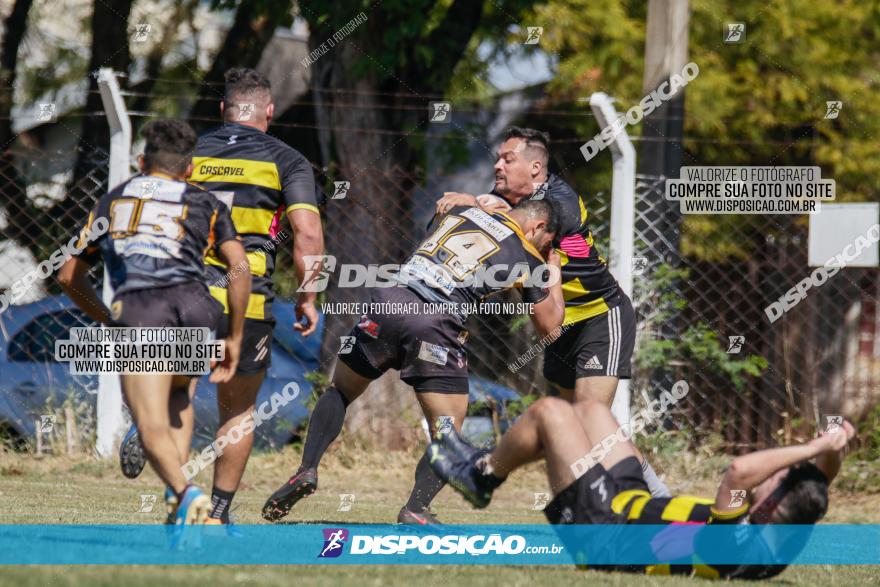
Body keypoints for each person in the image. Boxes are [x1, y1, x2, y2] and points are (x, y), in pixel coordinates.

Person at [262, 199, 566, 525]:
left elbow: (437, 227)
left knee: (340, 389)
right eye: (545, 242)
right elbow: (551, 327)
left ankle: (306, 469)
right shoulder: (528, 257)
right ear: (536, 228)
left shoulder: (462, 212)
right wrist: (554, 269)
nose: (543, 248)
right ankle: (416, 508)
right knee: (448, 429)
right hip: (435, 320)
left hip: (389, 300)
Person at [117, 68, 325, 527]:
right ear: (269, 111)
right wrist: (309, 296)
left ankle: (150, 436)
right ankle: (220, 510)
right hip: (245, 298)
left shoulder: (189, 155)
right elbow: (308, 234)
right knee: (238, 410)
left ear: (222, 110)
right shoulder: (287, 160)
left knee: (176, 394)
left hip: (181, 294)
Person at [435, 127, 665, 495]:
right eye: (498, 157)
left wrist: (474, 203)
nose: (498, 164)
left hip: (599, 317)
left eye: (508, 158)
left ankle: (650, 502)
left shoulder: (561, 200)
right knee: (569, 428)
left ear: (536, 166)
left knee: (590, 419)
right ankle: (489, 472)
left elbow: (531, 225)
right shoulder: (504, 197)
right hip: (559, 329)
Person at [58, 119, 250, 528]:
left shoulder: (112, 201)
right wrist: (234, 336)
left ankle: (187, 494)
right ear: (190, 169)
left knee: (147, 422)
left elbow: (68, 275)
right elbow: (240, 266)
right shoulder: (206, 203)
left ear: (141, 162)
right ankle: (177, 503)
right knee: (178, 400)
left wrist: (107, 317)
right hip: (197, 308)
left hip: (143, 309)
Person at [428, 396, 855, 579]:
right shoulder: (787, 526)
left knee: (551, 413)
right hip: (633, 505)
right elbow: (818, 478)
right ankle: (517, 455)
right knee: (592, 410)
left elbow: (740, 470)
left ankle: (482, 477)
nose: (770, 476)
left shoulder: (739, 542)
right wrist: (834, 443)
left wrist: (813, 445)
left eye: (775, 481)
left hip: (607, 535)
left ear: (768, 510)